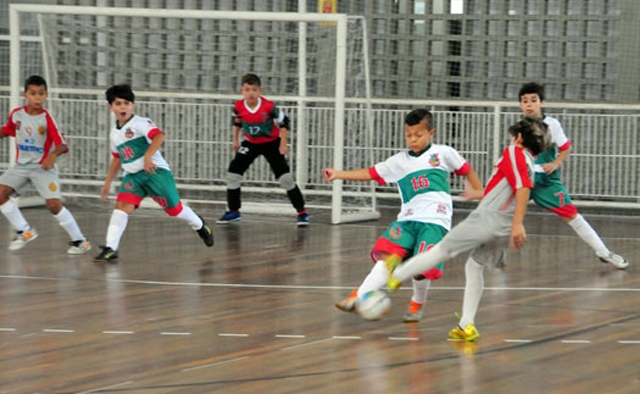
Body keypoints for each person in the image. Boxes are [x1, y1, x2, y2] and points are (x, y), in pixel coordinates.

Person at [386, 116, 551, 341]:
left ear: (519, 137)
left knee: (443, 250)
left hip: (489, 219)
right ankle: (467, 325)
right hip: (501, 227)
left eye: (514, 136)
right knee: (474, 266)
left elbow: (523, 188)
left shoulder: (514, 153)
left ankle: (397, 275)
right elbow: (507, 189)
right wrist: (478, 194)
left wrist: (518, 224)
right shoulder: (531, 163)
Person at [323, 108, 483, 322]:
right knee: (388, 255)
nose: (413, 140)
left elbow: (467, 170)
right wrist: (338, 174)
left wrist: (480, 194)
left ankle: (417, 303)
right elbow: (370, 173)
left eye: (418, 135)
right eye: (409, 135)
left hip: (435, 222)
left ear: (431, 133)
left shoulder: (443, 153)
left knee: (421, 268)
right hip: (407, 220)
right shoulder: (399, 162)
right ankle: (358, 296)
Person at [94, 84, 214, 262]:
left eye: (126, 103)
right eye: (118, 103)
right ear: (111, 106)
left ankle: (200, 224)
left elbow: (159, 136)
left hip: (155, 172)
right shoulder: (114, 134)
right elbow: (117, 158)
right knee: (121, 207)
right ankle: (111, 248)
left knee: (175, 210)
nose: (122, 107)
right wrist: (107, 182)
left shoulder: (140, 123)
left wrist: (148, 156)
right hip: (133, 176)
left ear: (132, 105)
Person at [518, 82, 627, 269]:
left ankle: (603, 252)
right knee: (500, 213)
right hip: (524, 179)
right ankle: (494, 254)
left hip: (546, 181)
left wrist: (555, 163)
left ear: (542, 102)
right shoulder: (520, 127)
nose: (529, 105)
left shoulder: (552, 124)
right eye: (524, 101)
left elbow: (566, 148)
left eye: (533, 100)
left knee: (572, 216)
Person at [0, 75, 91, 254]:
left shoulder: (47, 119)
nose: (37, 97)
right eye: (33, 93)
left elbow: (63, 145)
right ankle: (25, 230)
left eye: (41, 93)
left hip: (42, 168)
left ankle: (80, 241)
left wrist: (52, 156)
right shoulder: (17, 114)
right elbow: (7, 130)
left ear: (46, 95)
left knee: (54, 205)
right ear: (25, 94)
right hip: (21, 166)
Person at [217, 73, 309, 227]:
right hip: (251, 143)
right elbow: (237, 122)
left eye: (254, 89)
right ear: (242, 91)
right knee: (233, 173)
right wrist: (235, 140)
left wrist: (283, 143)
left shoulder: (269, 106)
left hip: (271, 143)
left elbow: (284, 122)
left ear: (260, 91)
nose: (251, 93)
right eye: (247, 90)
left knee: (285, 177)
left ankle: (302, 212)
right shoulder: (238, 106)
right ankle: (233, 211)